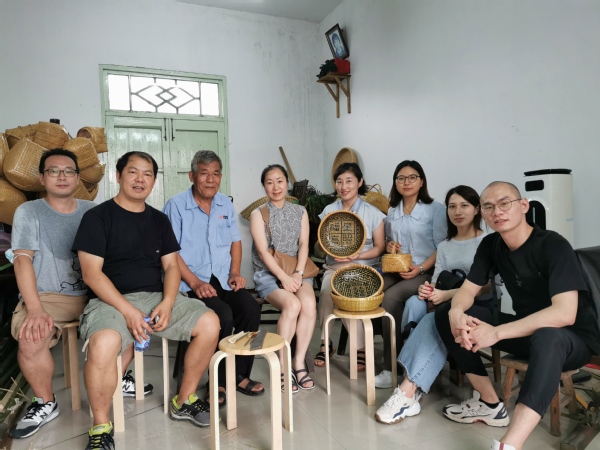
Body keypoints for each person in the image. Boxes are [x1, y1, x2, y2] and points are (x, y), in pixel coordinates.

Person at [434, 181, 600, 450]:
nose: (497, 211)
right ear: (483, 213)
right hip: (526, 333)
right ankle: (489, 403)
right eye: (489, 207)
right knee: (444, 313)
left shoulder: (553, 245)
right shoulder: (491, 244)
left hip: (572, 339)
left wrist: (496, 332)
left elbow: (565, 313)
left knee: (548, 336)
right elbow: (468, 290)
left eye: (504, 203)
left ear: (523, 206)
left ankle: (510, 444)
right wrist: (456, 312)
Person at [73, 151, 220, 450]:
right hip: (111, 301)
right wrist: (128, 311)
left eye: (148, 174)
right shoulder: (97, 218)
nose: (140, 179)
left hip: (155, 296)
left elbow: (171, 267)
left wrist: (168, 302)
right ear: (118, 176)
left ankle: (183, 400)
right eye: (133, 172)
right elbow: (91, 274)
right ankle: (101, 425)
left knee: (209, 322)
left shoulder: (159, 220)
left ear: (154, 181)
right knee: (103, 343)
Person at [375, 185, 493, 424]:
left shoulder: (487, 242)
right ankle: (413, 374)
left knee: (433, 318)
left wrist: (446, 295)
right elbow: (437, 280)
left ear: (477, 209)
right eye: (452, 206)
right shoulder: (445, 245)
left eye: (464, 206)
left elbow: (487, 286)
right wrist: (427, 289)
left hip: (476, 304)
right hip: (445, 299)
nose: (457, 211)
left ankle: (408, 389)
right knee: (414, 303)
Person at [8, 149, 96, 439]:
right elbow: (22, 259)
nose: (61, 176)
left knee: (130, 319)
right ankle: (46, 402)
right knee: (30, 338)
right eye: (53, 171)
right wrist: (34, 308)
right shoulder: (29, 212)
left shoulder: (92, 210)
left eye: (69, 171)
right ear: (42, 178)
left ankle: (120, 377)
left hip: (94, 294)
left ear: (78, 178)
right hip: (49, 297)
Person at [163, 150, 263, 405]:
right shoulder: (176, 205)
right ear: (192, 176)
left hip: (221, 277)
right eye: (204, 173)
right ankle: (217, 382)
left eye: (216, 174)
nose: (210, 180)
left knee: (251, 309)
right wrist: (195, 282)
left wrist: (235, 272)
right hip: (189, 281)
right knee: (222, 315)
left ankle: (239, 374)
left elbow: (235, 242)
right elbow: (170, 252)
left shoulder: (224, 204)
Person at [375, 160, 446, 388]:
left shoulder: (435, 210)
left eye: (412, 177)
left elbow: (442, 247)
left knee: (390, 298)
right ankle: (390, 348)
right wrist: (390, 246)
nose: (406, 182)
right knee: (372, 290)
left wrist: (421, 268)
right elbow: (388, 241)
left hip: (426, 271)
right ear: (395, 182)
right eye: (401, 178)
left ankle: (391, 368)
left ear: (421, 181)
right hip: (397, 269)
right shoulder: (392, 211)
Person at [249, 164, 317, 392]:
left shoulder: (300, 212)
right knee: (292, 304)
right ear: (264, 186)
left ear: (287, 183)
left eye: (280, 181)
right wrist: (283, 278)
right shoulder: (258, 215)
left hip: (297, 270)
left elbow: (304, 244)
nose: (275, 187)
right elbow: (262, 252)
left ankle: (298, 363)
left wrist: (297, 273)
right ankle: (282, 366)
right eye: (269, 182)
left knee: (309, 303)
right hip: (269, 274)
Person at [315, 162, 386, 372]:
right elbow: (319, 245)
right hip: (335, 267)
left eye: (349, 181)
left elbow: (380, 247)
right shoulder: (329, 211)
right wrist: (325, 247)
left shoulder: (373, 213)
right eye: (339, 181)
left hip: (364, 268)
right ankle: (326, 343)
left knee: (347, 293)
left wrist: (359, 255)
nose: (343, 186)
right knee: (327, 292)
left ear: (360, 182)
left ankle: (360, 348)